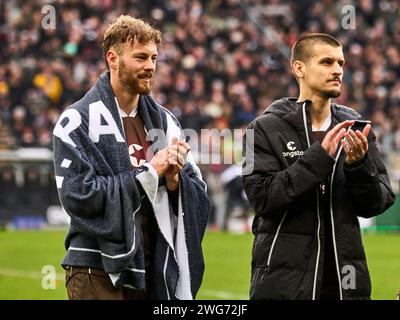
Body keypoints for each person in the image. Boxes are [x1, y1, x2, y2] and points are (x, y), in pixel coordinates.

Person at [53, 15, 211, 300]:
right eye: (140, 57)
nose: (150, 66)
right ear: (113, 59)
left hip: (153, 270)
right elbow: (79, 196)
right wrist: (150, 172)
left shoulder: (166, 122)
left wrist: (176, 182)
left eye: (154, 58)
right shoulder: (77, 120)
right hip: (95, 269)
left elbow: (199, 194)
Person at [242, 33, 395, 300]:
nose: (337, 70)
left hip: (345, 283)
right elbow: (263, 198)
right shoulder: (264, 128)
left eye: (341, 63)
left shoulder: (358, 128)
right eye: (326, 62)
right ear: (299, 68)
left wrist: (359, 167)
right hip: (285, 285)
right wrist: (319, 157)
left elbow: (377, 203)